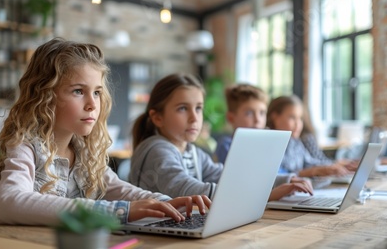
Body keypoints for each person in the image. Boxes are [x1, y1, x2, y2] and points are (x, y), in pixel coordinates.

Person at [0, 38, 210, 226]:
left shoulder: (83, 151)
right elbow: (9, 202)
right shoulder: (25, 144)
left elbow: (121, 190)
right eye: (79, 91)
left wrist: (170, 203)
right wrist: (121, 211)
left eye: (97, 93)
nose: (92, 104)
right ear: (45, 96)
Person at [128, 74, 313, 201]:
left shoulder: (192, 151)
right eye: (183, 108)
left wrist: (286, 180)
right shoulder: (157, 150)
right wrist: (263, 195)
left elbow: (228, 176)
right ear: (157, 117)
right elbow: (190, 190)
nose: (194, 117)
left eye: (198, 108)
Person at [267, 95, 354, 177]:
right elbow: (278, 176)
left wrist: (335, 166)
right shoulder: (268, 144)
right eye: (292, 117)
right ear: (275, 117)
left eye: (300, 118)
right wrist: (314, 171)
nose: (298, 124)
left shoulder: (295, 142)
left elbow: (310, 162)